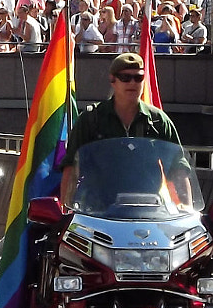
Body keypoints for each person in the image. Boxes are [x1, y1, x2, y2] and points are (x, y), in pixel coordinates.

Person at [59, 52, 182, 202]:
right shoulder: (91, 119)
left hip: (147, 211)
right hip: (98, 212)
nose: (132, 83)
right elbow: (72, 168)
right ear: (112, 80)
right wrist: (65, 210)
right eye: (125, 78)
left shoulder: (158, 121)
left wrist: (186, 208)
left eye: (138, 78)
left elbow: (178, 170)